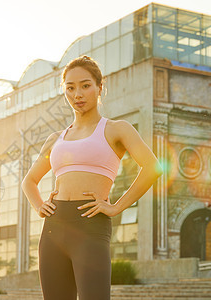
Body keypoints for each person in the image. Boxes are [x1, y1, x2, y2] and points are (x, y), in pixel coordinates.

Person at [21, 55, 163, 300]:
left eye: (85, 85)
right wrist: (39, 205)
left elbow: (153, 168)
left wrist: (116, 206)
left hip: (91, 225)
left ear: (100, 87)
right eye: (70, 88)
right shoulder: (55, 139)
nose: (78, 94)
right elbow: (29, 181)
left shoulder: (117, 129)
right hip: (54, 228)